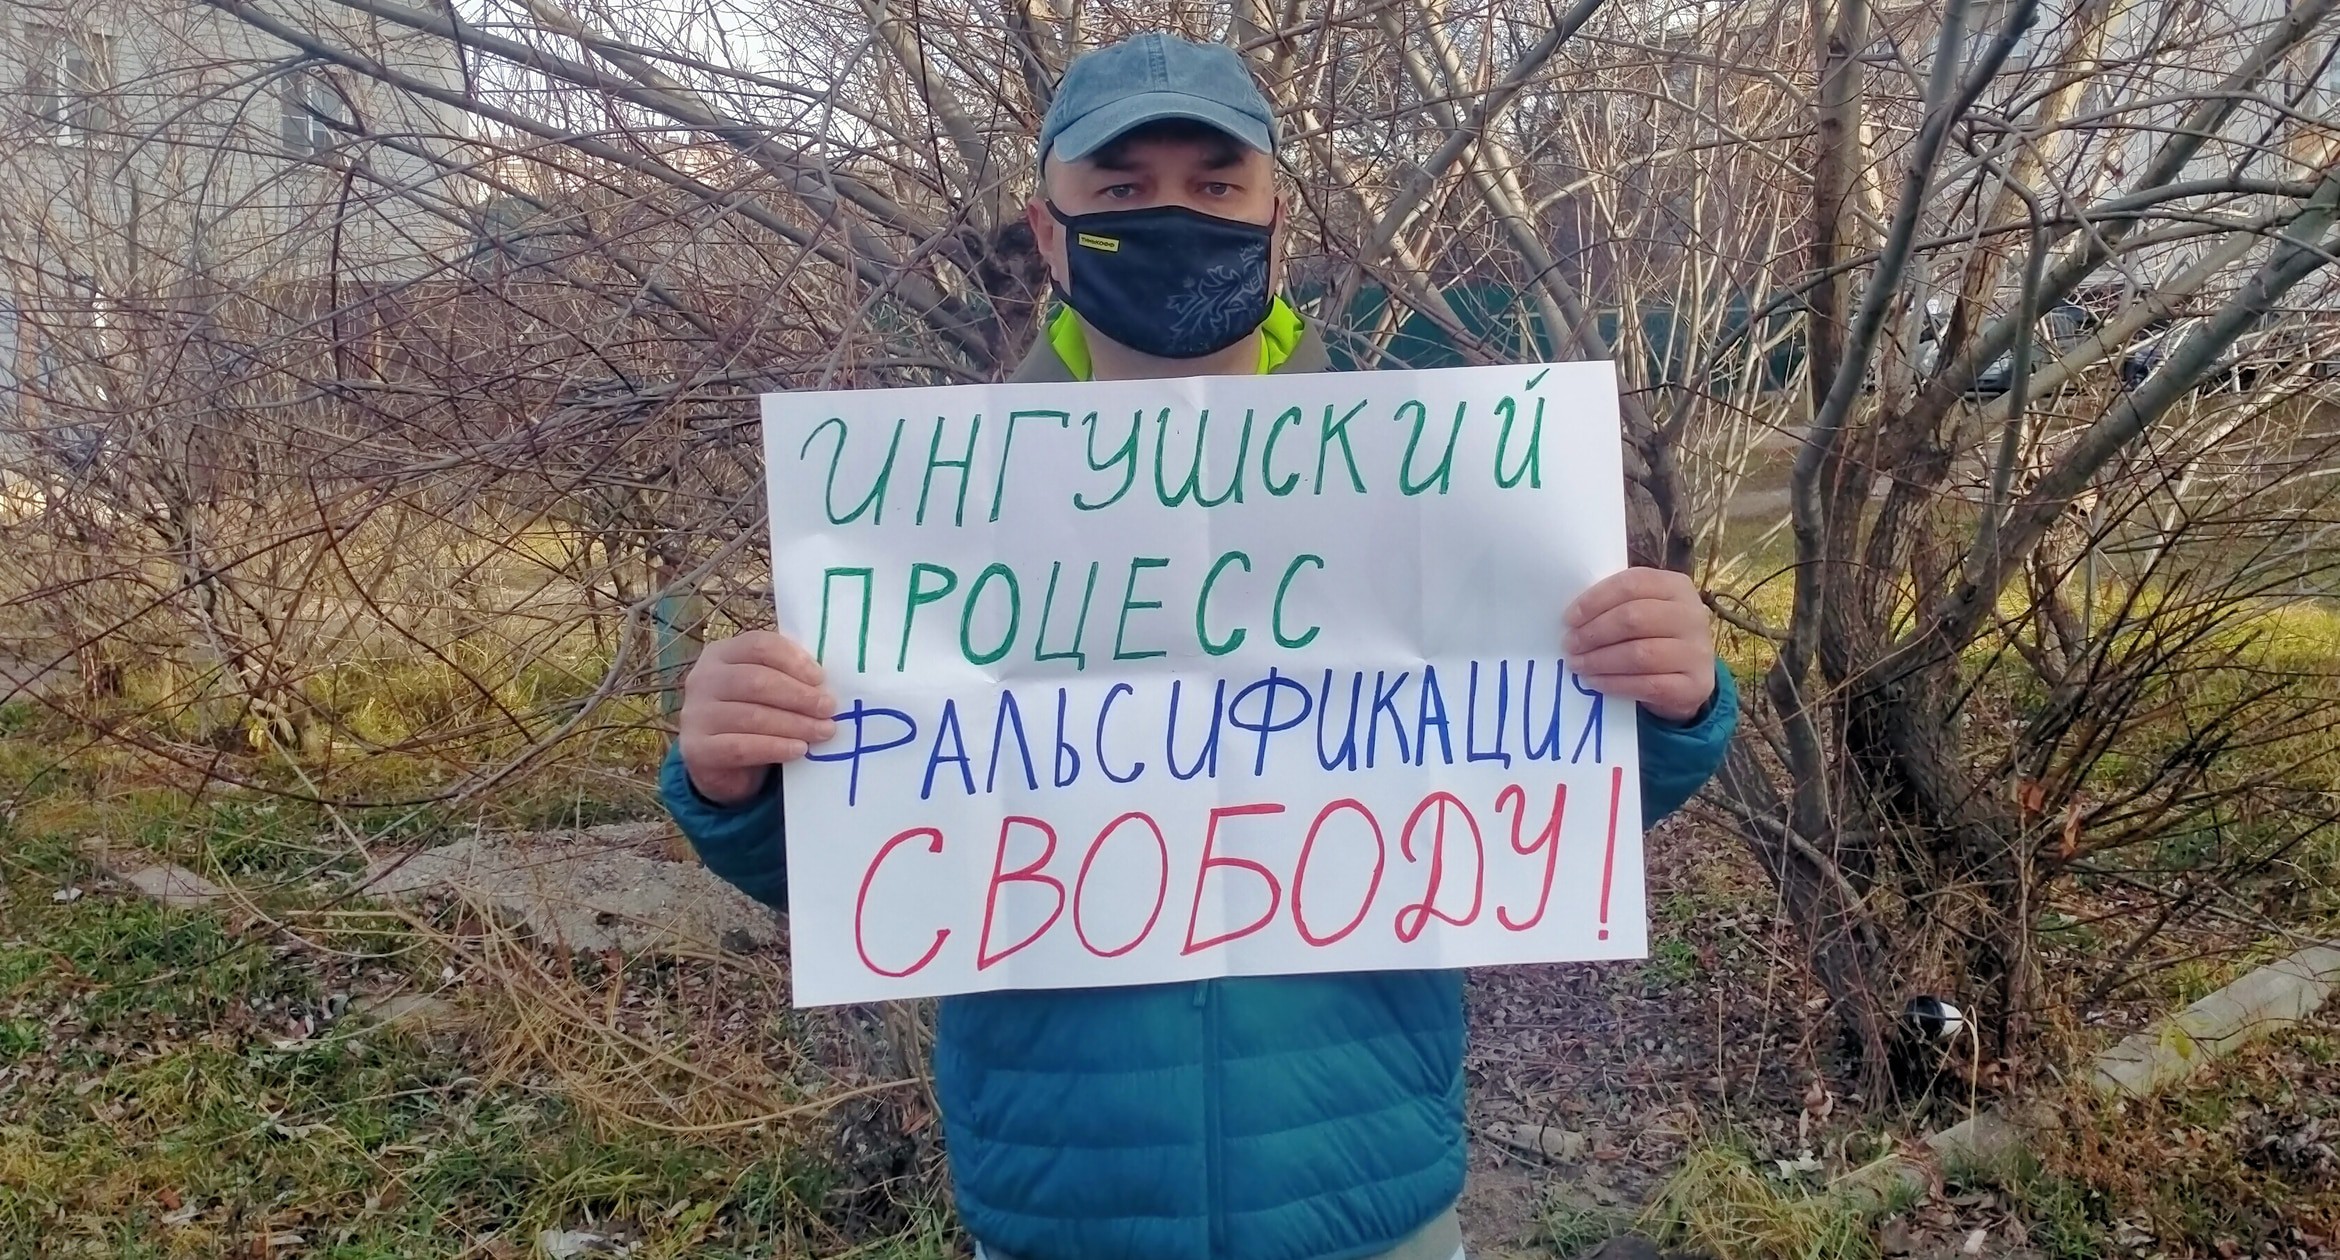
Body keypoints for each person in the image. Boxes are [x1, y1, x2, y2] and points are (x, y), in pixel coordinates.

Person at [661, 31, 1740, 1260]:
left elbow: (1544, 802)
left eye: (1216, 185)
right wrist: (734, 779)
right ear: (1049, 228)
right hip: (1067, 1209)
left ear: (1277, 220)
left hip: (1364, 1194)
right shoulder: (923, 515)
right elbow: (869, 864)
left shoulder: (1434, 484)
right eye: (1122, 187)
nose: (1172, 216)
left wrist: (1671, 700)